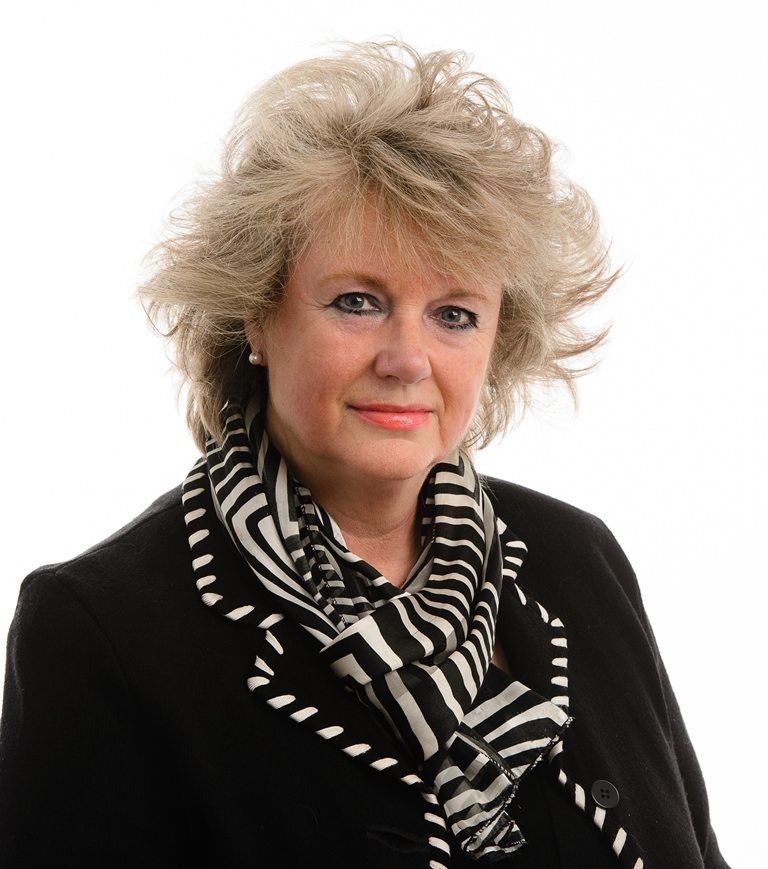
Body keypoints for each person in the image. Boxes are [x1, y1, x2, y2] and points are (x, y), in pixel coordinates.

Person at [0, 41, 729, 868]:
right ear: (256, 314)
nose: (407, 359)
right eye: (357, 302)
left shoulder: (579, 557)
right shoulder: (101, 631)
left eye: (454, 315)